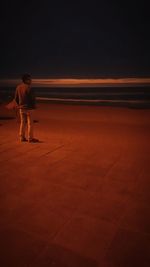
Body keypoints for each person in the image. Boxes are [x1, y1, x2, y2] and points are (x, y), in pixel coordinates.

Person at [14, 73, 39, 142]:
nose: (31, 80)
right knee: (30, 123)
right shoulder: (30, 88)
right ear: (26, 80)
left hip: (21, 108)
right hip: (29, 108)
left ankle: (21, 137)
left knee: (22, 123)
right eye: (30, 79)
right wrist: (34, 106)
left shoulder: (18, 87)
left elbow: (16, 98)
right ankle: (30, 138)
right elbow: (32, 99)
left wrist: (19, 106)